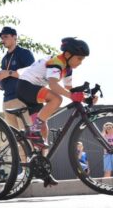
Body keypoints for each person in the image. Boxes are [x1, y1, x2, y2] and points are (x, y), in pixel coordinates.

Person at [16, 37, 95, 186]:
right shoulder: (57, 62)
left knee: (43, 131)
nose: (81, 62)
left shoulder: (68, 68)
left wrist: (86, 98)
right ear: (68, 54)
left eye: (83, 59)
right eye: (79, 58)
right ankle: (33, 130)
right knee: (56, 99)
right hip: (26, 86)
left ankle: (42, 169)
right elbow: (53, 85)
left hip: (33, 89)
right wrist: (71, 96)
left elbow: (69, 88)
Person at [0, 27, 35, 129]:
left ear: (15, 37)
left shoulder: (24, 53)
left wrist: (9, 73)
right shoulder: (4, 59)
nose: (3, 40)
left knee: (27, 134)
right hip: (7, 101)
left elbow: (32, 73)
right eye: (2, 38)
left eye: (6, 37)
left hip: (21, 99)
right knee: (13, 136)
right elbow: (6, 82)